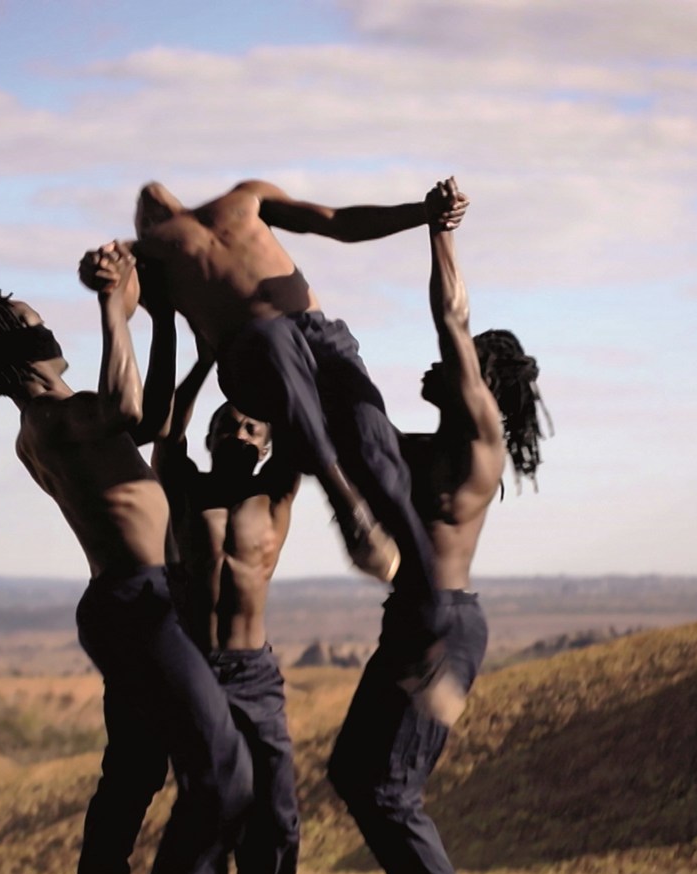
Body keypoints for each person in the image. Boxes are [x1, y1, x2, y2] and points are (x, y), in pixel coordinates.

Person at [0, 246, 253, 874]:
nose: (49, 329)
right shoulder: (52, 420)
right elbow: (124, 409)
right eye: (35, 323)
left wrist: (160, 320)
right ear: (16, 351)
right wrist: (112, 304)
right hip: (137, 602)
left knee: (134, 774)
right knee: (221, 774)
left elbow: (146, 417)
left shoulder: (65, 416)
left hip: (140, 602)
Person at [327, 179, 550, 874]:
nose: (436, 362)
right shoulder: (425, 450)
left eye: (456, 363)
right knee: (357, 772)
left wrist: (436, 231)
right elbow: (361, 439)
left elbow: (451, 318)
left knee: (387, 785)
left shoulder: (478, 439)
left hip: (446, 632)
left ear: (481, 377)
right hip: (417, 622)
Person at [122, 179, 468, 674]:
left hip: (320, 337)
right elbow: (127, 305)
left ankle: (430, 605)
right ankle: (346, 505)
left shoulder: (246, 198)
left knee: (374, 453)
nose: (150, 192)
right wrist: (105, 279)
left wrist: (423, 213)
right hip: (250, 352)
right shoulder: (149, 254)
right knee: (272, 337)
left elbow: (334, 221)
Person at [151, 354, 310, 874]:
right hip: (196, 670)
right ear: (212, 435)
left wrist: (266, 361)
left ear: (267, 445)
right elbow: (168, 427)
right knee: (206, 804)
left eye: (253, 429)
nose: (241, 434)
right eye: (231, 425)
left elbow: (300, 418)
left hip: (255, 672)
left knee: (278, 807)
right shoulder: (185, 487)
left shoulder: (276, 493)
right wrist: (209, 356)